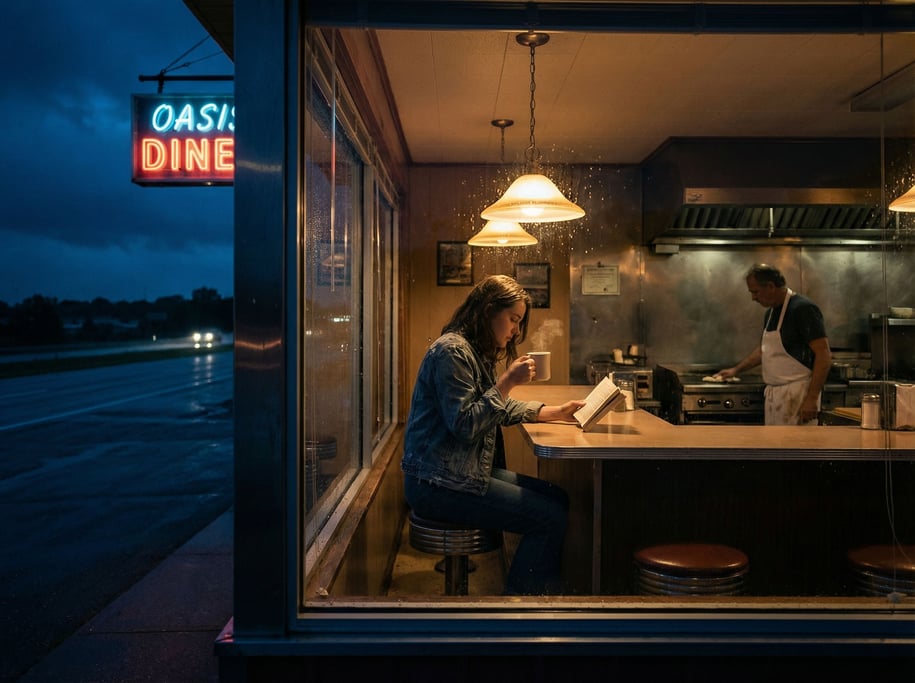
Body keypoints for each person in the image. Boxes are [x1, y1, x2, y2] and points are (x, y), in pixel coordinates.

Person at [402, 274, 585, 595]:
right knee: (549, 518)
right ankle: (517, 611)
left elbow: (495, 407)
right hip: (436, 484)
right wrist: (507, 382)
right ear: (488, 311)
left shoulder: (472, 350)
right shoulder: (452, 353)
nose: (516, 330)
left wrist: (556, 412)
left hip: (456, 473)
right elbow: (466, 425)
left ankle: (538, 596)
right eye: (513, 319)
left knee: (557, 498)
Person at [718, 263, 832, 425]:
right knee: (776, 447)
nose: (753, 298)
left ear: (770, 286)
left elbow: (824, 355)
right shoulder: (771, 313)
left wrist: (811, 398)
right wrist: (736, 370)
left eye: (755, 292)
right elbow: (765, 350)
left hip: (798, 394)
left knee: (797, 448)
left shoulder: (803, 309)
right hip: (775, 396)